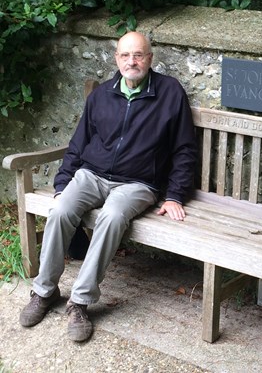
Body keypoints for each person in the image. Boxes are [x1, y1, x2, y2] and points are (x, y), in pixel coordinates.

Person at [19, 31, 198, 342]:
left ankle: (80, 302)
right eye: (126, 55)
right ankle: (44, 292)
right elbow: (79, 143)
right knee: (60, 209)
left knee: (112, 216)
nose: (132, 61)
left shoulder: (169, 93)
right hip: (92, 174)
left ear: (150, 59)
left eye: (139, 55)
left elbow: (185, 148)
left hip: (138, 183)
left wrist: (174, 195)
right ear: (116, 59)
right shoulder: (101, 94)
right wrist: (63, 183)